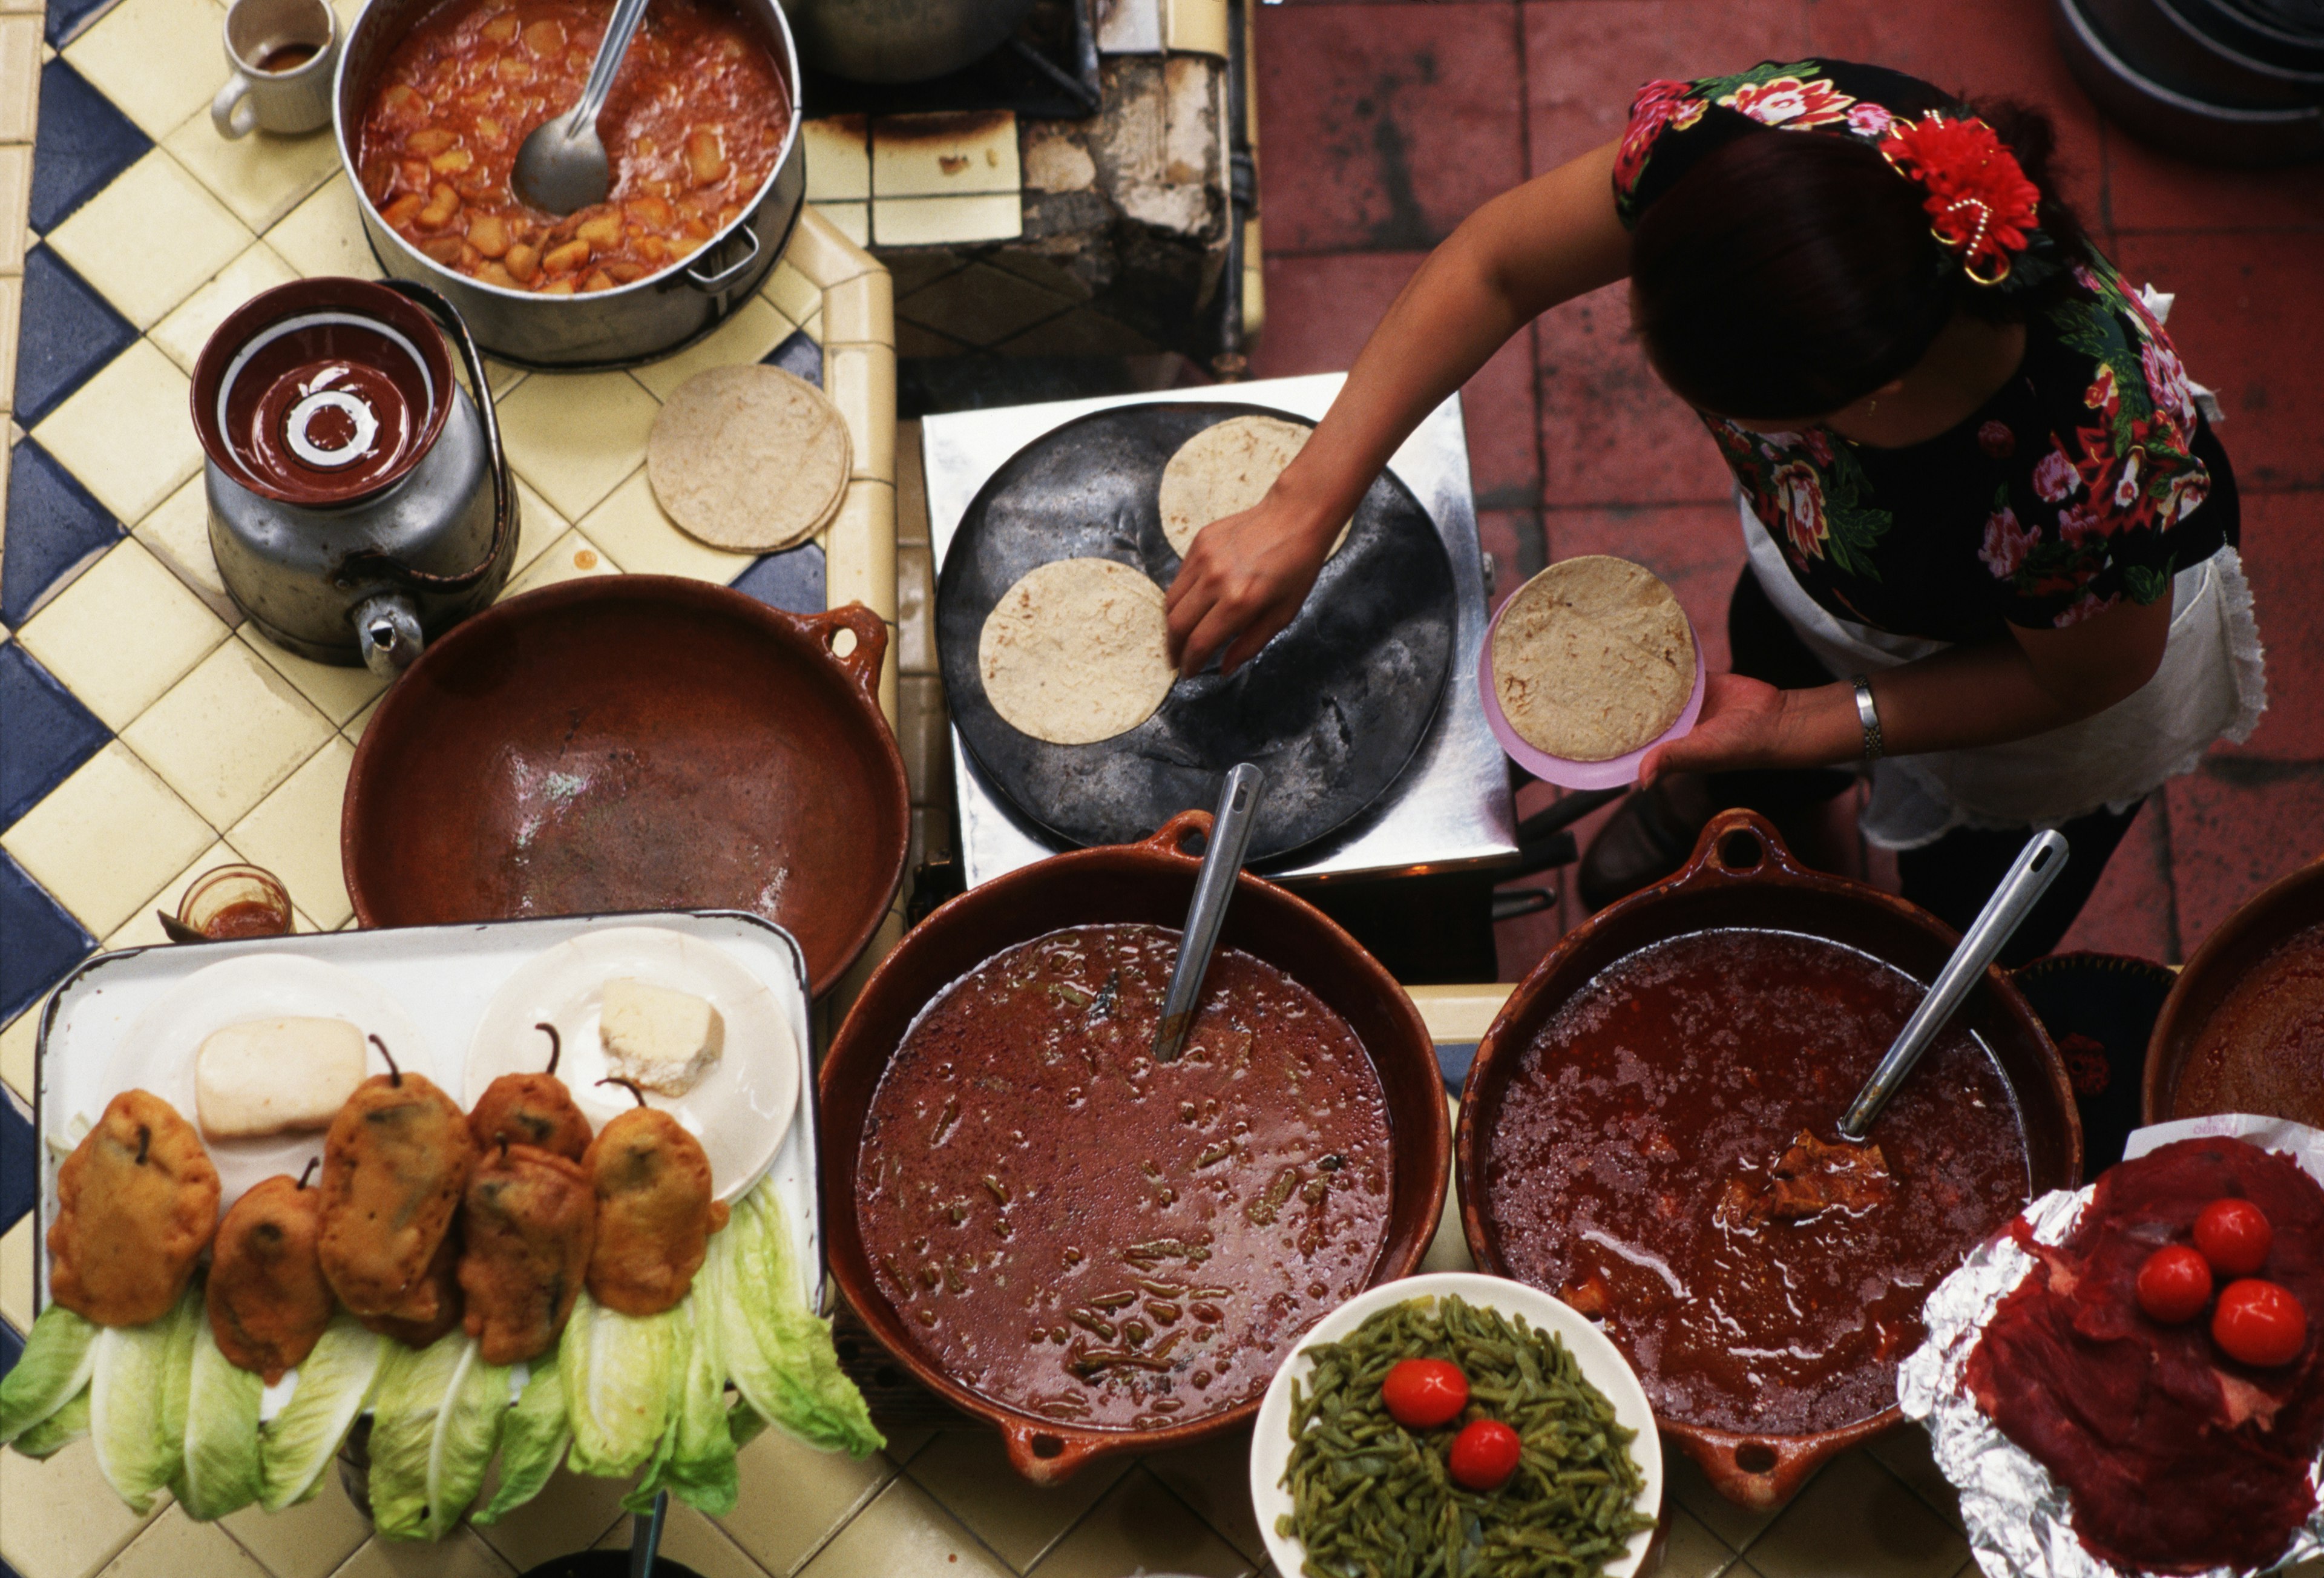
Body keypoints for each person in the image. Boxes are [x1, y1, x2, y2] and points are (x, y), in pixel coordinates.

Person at [1163, 59, 2262, 962]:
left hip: (2063, 661)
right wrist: (1305, 505)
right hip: (1846, 561)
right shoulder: (1778, 155)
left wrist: (1798, 724)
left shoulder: (2081, 461)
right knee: (1770, 642)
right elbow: (1500, 265)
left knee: (1956, 909)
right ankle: (1749, 810)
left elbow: (2075, 678)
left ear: (1852, 411)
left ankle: (1892, 942)